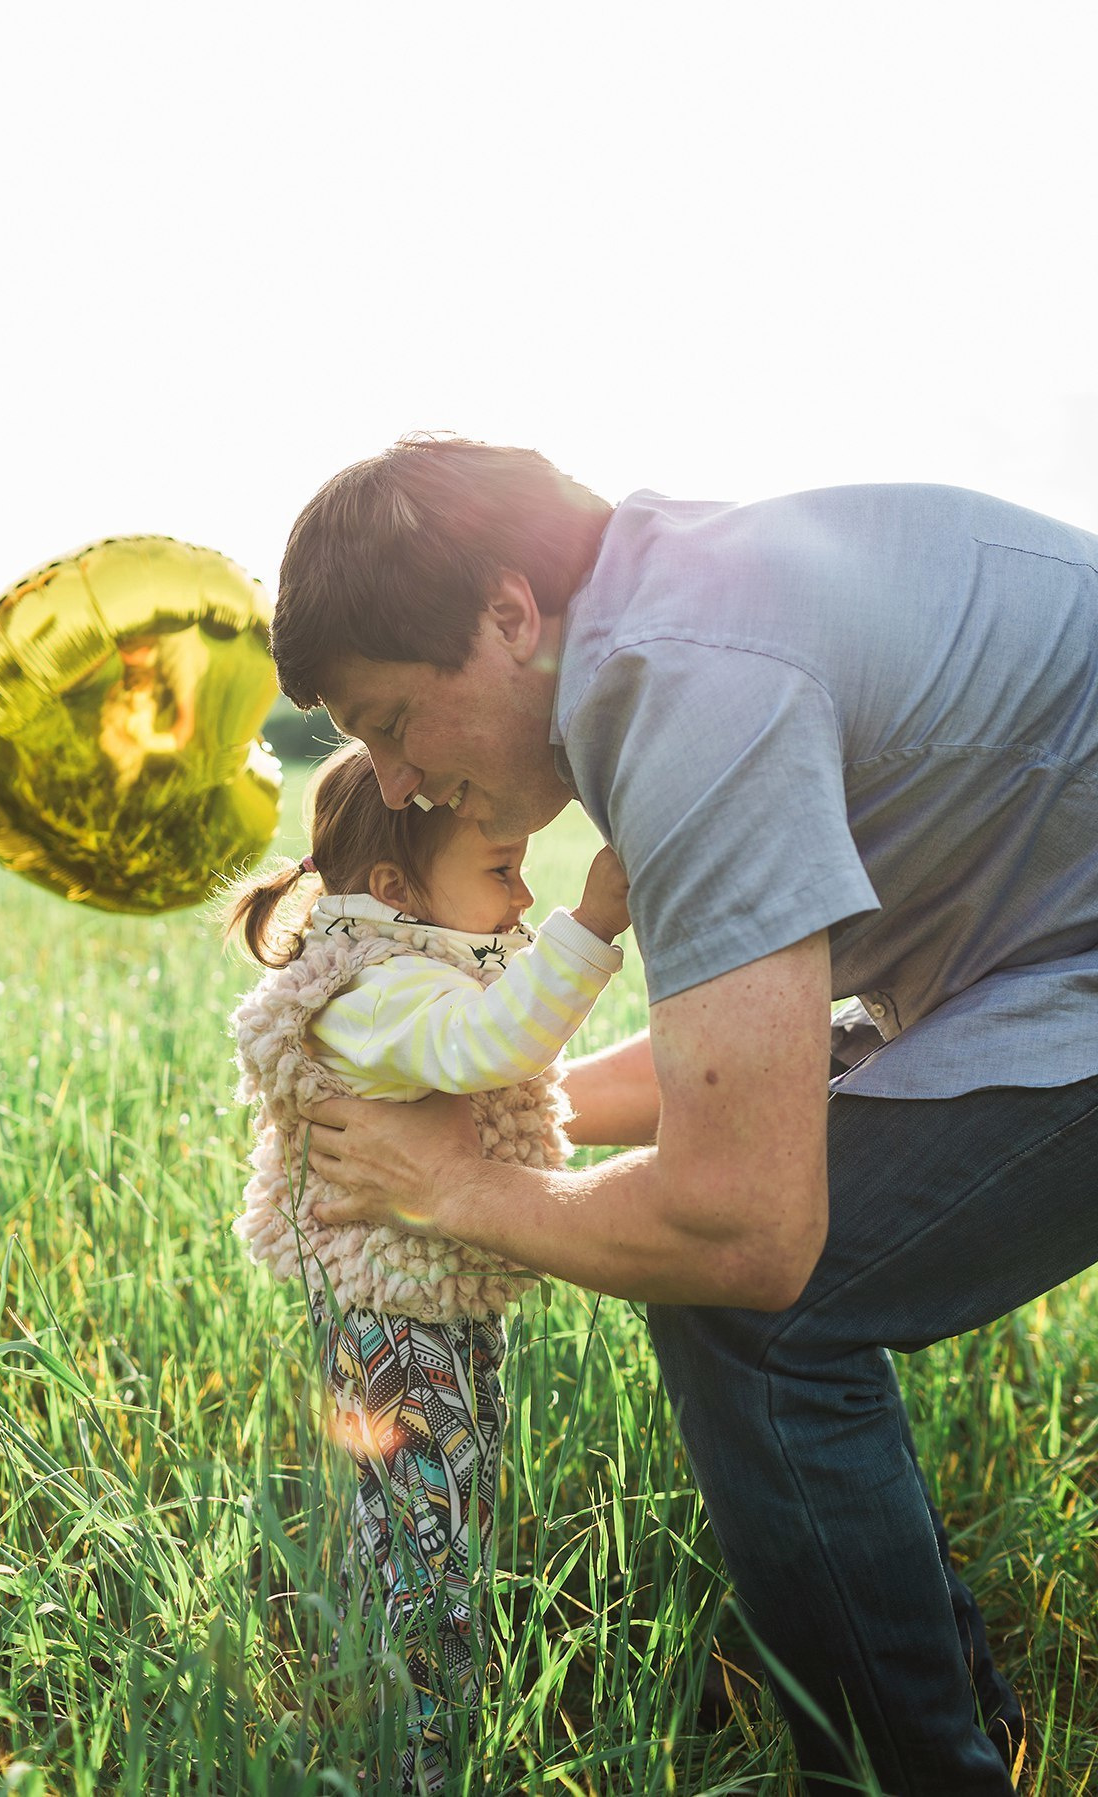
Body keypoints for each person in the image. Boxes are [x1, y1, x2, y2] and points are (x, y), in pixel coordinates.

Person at [269, 436, 1098, 1791]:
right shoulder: (672, 628)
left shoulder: (682, 691)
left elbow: (743, 1221)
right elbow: (749, 1057)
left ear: (509, 613)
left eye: (395, 722)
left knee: (751, 1307)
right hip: (1038, 954)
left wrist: (457, 1193)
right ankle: (977, 1740)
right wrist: (494, 1128)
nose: (397, 784)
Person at [225, 741, 628, 1789]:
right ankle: (420, 1758)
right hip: (396, 1324)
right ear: (398, 888)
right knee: (428, 1545)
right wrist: (590, 928)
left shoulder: (406, 968)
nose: (527, 895)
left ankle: (401, 1717)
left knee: (440, 1517)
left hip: (427, 1305)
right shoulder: (379, 992)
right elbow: (487, 1048)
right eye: (502, 869)